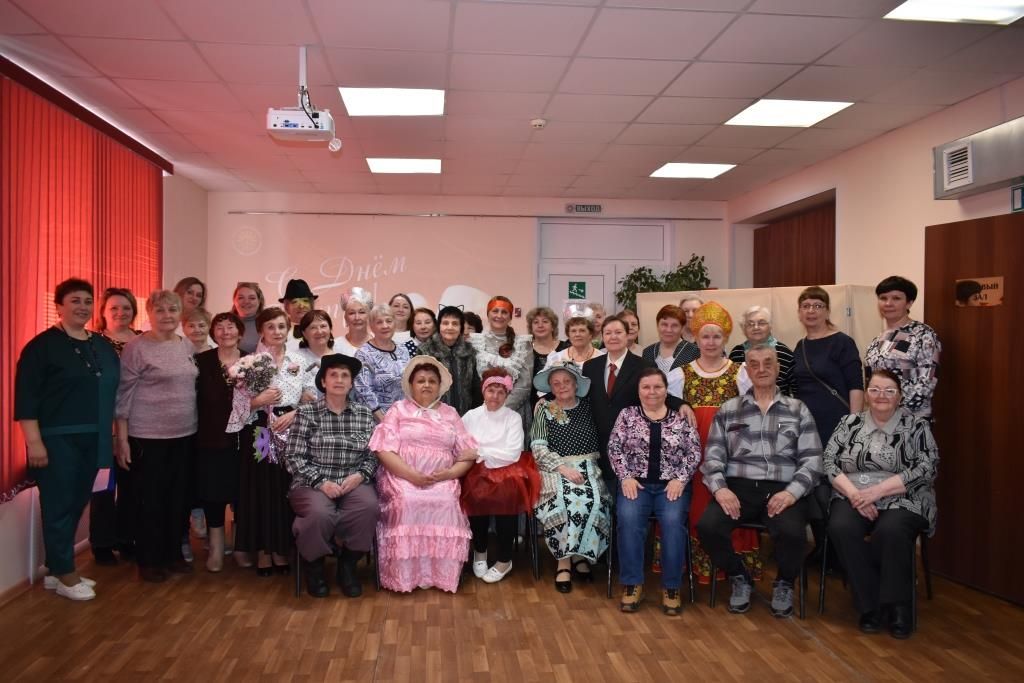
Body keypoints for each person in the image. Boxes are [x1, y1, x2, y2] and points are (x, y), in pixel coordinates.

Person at [697, 344, 823, 618]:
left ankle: (785, 582)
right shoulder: (729, 409)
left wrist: (792, 493)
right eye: (754, 364)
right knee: (708, 527)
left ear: (778, 368)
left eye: (768, 363)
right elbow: (713, 458)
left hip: (783, 489)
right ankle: (739, 576)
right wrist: (720, 490)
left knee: (792, 534)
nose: (762, 369)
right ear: (747, 371)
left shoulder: (798, 410)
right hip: (738, 487)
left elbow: (813, 460)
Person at [15, 278, 120, 600]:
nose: (82, 307)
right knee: (59, 504)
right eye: (75, 301)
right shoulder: (41, 346)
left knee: (78, 501)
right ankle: (65, 572)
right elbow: (26, 397)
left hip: (97, 437)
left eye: (87, 301)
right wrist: (34, 442)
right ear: (59, 306)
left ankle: (54, 569)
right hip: (56, 439)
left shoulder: (101, 344)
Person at [824, 369, 939, 639]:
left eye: (889, 391)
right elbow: (828, 461)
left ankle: (898, 606)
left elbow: (928, 466)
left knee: (891, 531)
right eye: (875, 389)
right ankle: (870, 606)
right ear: (866, 394)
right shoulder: (849, 422)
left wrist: (876, 492)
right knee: (841, 527)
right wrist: (855, 495)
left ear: (899, 396)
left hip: (902, 495)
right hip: (852, 493)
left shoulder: (916, 426)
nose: (881, 396)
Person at [664, 302, 757, 584]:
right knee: (697, 505)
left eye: (717, 336)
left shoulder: (740, 372)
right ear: (696, 338)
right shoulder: (681, 374)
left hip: (730, 451)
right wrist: (680, 405)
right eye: (705, 336)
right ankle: (696, 563)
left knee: (729, 503)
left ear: (725, 338)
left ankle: (733, 566)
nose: (711, 342)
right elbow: (668, 406)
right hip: (693, 452)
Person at [369, 357, 477, 593]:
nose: (426, 385)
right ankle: (407, 577)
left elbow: (467, 455)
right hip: (402, 476)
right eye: (420, 381)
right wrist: (411, 475)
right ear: (411, 385)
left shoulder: (450, 413)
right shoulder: (398, 410)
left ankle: (439, 575)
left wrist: (449, 473)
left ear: (439, 386)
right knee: (408, 500)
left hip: (442, 478)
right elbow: (383, 450)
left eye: (431, 381)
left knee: (446, 501)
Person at [115, 290, 199, 583]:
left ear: (180, 314)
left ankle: (173, 554)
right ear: (149, 314)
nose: (167, 315)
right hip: (147, 437)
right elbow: (123, 395)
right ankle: (149, 560)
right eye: (160, 310)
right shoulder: (136, 348)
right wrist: (121, 439)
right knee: (150, 501)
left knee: (178, 499)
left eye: (172, 310)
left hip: (185, 434)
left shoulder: (185, 344)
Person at [227, 307, 316, 576]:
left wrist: (295, 413)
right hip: (261, 432)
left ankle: (281, 549)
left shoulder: (299, 359)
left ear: (288, 329)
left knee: (284, 487)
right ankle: (264, 552)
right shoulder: (250, 363)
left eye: (281, 326)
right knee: (262, 486)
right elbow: (238, 406)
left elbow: (310, 398)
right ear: (261, 331)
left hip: (291, 428)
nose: (277, 332)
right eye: (271, 327)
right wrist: (258, 401)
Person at [608, 367, 702, 615]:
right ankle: (632, 584)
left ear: (666, 390)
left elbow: (694, 451)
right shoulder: (627, 415)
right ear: (638, 391)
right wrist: (625, 476)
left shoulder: (681, 417)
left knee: (672, 523)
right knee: (628, 520)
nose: (652, 392)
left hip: (671, 486)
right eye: (646, 387)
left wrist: (680, 479)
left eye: (657, 386)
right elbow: (614, 448)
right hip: (635, 484)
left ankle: (671, 587)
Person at [285, 353, 379, 598]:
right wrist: (320, 482)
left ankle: (347, 565)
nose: (339, 380)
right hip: (312, 482)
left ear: (351, 383)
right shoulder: (307, 413)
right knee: (319, 514)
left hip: (353, 480)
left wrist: (360, 476)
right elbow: (293, 456)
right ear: (323, 382)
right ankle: (314, 567)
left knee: (368, 507)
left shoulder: (364, 414)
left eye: (345, 376)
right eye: (333, 375)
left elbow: (374, 455)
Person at [792, 286, 864, 558]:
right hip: (807, 426)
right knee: (812, 484)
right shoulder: (800, 346)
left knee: (833, 482)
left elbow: (856, 385)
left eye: (817, 305)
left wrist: (853, 425)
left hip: (836, 422)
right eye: (806, 306)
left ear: (827, 310)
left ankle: (837, 548)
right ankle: (823, 546)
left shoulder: (842, 342)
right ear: (799, 312)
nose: (811, 311)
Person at [583, 316, 689, 495]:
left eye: (618, 332)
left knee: (626, 497)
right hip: (598, 442)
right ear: (602, 337)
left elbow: (657, 392)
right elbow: (578, 391)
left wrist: (681, 405)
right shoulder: (590, 366)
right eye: (608, 333)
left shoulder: (643, 365)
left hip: (630, 445)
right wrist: (546, 398)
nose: (613, 337)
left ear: (627, 335)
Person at [531, 362, 612, 592]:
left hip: (589, 466)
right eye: (556, 383)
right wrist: (563, 469)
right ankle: (564, 562)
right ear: (550, 388)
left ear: (576, 384)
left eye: (567, 381)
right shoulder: (544, 409)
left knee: (592, 501)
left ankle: (580, 554)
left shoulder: (590, 407)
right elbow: (538, 449)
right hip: (554, 468)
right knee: (563, 502)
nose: (562, 386)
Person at [461, 369, 541, 584]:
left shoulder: (513, 418)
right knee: (475, 494)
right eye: (491, 390)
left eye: (500, 392)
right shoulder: (471, 416)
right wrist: (478, 455)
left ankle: (505, 559)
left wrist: (480, 452)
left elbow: (512, 453)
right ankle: (480, 550)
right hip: (477, 469)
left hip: (508, 470)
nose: (495, 396)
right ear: (483, 391)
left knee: (507, 496)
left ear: (507, 395)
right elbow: (463, 445)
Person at [89, 287, 141, 566]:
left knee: (132, 488)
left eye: (126, 308)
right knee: (104, 488)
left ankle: (127, 538)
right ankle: (102, 543)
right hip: (104, 426)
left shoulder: (143, 340)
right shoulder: (93, 343)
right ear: (103, 312)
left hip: (139, 425)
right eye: (114, 308)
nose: (121, 313)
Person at [194, 312, 247, 572]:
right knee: (212, 492)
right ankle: (216, 546)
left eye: (231, 327)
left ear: (240, 332)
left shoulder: (253, 360)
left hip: (245, 439)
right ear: (213, 333)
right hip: (210, 437)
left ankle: (239, 546)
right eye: (220, 327)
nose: (226, 332)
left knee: (243, 492)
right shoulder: (201, 361)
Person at [864, 276, 941, 420]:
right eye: (883, 298)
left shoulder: (922, 335)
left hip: (909, 420)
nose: (888, 303)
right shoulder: (878, 339)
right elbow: (870, 380)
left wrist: (893, 414)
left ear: (909, 303)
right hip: (878, 418)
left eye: (896, 298)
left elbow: (926, 382)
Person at [470, 296, 535, 433]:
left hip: (514, 411)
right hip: (482, 410)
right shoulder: (475, 342)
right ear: (488, 314)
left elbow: (525, 384)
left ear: (510, 317)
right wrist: (487, 409)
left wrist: (502, 410)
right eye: (495, 311)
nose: (499, 315)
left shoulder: (522, 343)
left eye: (504, 312)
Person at [416, 306, 483, 415]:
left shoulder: (469, 352)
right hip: (434, 416)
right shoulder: (425, 351)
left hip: (465, 416)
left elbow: (475, 387)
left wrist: (474, 415)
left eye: (455, 324)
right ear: (439, 326)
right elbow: (418, 387)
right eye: (445, 323)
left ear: (461, 328)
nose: (450, 327)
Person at [353, 304, 411, 422]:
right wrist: (384, 421)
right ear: (371, 326)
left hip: (404, 417)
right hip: (377, 421)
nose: (385, 326)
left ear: (394, 323)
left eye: (389, 321)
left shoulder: (403, 350)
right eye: (379, 322)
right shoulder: (363, 354)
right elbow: (363, 392)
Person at [728, 305, 795, 396]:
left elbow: (795, 389)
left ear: (770, 326)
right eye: (750, 324)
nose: (756, 327)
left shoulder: (784, 353)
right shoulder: (736, 353)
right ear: (744, 329)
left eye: (761, 323)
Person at [527, 306, 567, 412]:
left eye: (545, 321)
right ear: (531, 328)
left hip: (563, 404)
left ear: (553, 326)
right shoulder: (525, 350)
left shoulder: (566, 348)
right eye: (536, 322)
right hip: (531, 406)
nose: (540, 325)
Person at [642, 304, 698, 375]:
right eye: (664, 324)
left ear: (682, 328)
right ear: (657, 325)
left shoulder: (694, 352)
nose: (669, 330)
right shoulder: (648, 352)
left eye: (674, 325)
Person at [293, 309, 335, 393]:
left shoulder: (341, 357)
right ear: (304, 333)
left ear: (330, 329)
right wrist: (300, 394)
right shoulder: (295, 358)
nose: (319, 331)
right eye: (313, 328)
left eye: (323, 326)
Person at [278, 278, 318, 352]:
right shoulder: (280, 331)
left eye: (305, 301)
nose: (301, 306)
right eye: (295, 302)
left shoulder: (321, 329)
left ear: (311, 305)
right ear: (287, 307)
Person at [336, 287, 372, 356]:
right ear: (345, 318)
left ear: (368, 316)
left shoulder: (379, 343)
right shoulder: (336, 346)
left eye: (361, 312)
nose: (357, 318)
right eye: (351, 313)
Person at [232, 282, 265, 354]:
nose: (246, 301)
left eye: (252, 298)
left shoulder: (267, 324)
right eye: (241, 298)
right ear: (234, 301)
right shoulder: (225, 323)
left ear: (259, 301)